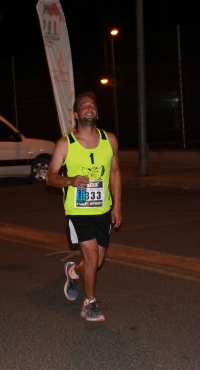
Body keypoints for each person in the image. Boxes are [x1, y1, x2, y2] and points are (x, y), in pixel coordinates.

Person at [46, 91, 122, 322]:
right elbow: (50, 177)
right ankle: (89, 303)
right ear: (76, 114)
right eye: (83, 105)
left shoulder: (110, 140)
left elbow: (116, 173)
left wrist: (117, 206)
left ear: (96, 112)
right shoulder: (65, 144)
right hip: (78, 212)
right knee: (91, 258)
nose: (89, 107)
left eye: (92, 105)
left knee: (96, 262)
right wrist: (70, 180)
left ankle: (73, 271)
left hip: (103, 210)